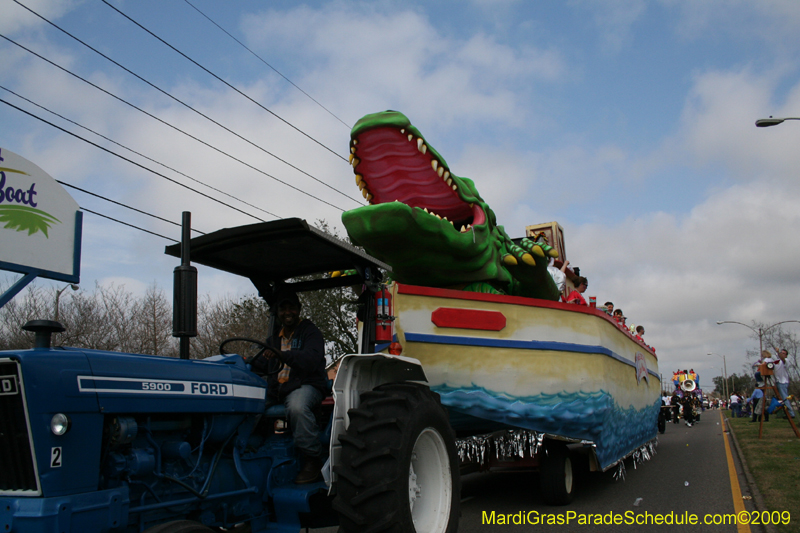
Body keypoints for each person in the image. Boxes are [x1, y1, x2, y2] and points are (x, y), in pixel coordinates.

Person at [249, 290, 328, 484]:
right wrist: (245, 363)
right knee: (249, 403)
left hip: (307, 385)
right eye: (283, 309)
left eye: (291, 308)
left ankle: (312, 459)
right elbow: (261, 363)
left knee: (297, 407)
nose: (287, 312)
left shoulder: (310, 332)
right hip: (278, 389)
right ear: (278, 312)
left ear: (299, 309)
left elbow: (311, 359)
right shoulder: (274, 339)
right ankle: (250, 446)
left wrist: (283, 355)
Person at [773, 349, 796, 418]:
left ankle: (791, 414)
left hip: (783, 382)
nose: (782, 354)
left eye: (784, 353)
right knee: (781, 399)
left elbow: (783, 359)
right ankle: (785, 413)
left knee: (785, 398)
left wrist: (778, 352)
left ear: (786, 355)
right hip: (778, 381)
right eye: (781, 353)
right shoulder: (777, 362)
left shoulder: (786, 361)